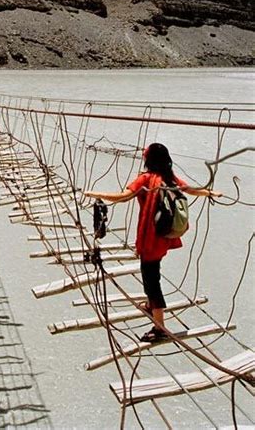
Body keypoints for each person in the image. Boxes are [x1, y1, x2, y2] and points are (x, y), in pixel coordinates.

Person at [84, 142, 222, 343]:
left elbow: (123, 197)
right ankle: (150, 304)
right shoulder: (168, 177)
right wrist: (210, 193)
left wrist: (95, 194)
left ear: (149, 159)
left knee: (151, 281)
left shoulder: (146, 179)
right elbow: (191, 189)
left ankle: (160, 327)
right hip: (162, 236)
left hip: (150, 238)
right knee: (152, 271)